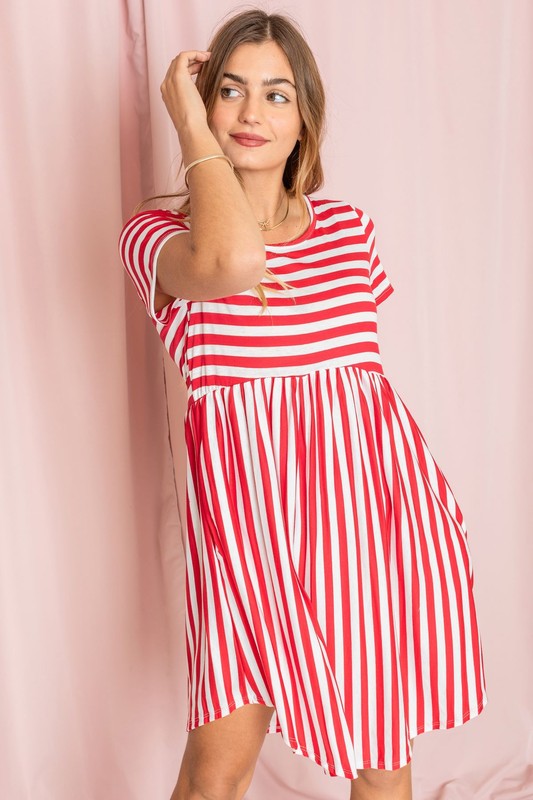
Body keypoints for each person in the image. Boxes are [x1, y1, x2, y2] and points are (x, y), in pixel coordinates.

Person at [118, 8, 488, 800]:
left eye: (277, 95)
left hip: (366, 529)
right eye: (229, 90)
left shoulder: (348, 232)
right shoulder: (160, 236)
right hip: (245, 541)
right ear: (203, 104)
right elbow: (234, 258)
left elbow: (361, 400)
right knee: (215, 773)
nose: (251, 113)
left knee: (380, 758)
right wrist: (188, 128)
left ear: (305, 117)